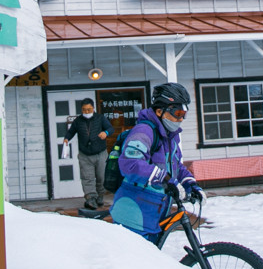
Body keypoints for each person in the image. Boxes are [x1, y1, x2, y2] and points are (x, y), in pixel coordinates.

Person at [109, 82, 204, 241]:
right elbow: (130, 163)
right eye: (177, 112)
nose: (181, 118)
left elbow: (175, 166)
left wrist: (191, 184)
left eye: (184, 113)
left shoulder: (170, 136)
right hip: (134, 214)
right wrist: (165, 179)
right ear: (160, 111)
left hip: (153, 212)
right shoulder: (144, 131)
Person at [63, 98, 115, 209]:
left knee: (101, 176)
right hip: (85, 154)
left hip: (100, 153)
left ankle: (100, 195)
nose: (86, 112)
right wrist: (67, 138)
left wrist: (105, 133)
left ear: (93, 108)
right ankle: (91, 198)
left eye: (89, 109)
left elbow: (111, 129)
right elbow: (71, 131)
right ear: (81, 109)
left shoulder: (100, 118)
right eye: (84, 110)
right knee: (87, 177)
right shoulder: (78, 121)